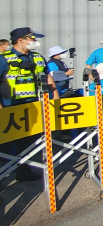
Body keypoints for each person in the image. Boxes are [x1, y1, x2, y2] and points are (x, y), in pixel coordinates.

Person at [0, 27, 59, 181]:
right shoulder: (3, 58)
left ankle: (23, 171)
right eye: (32, 39)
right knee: (5, 144)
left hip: (32, 105)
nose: (35, 42)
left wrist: (56, 97)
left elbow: (47, 77)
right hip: (9, 105)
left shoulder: (37, 57)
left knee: (28, 141)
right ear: (21, 41)